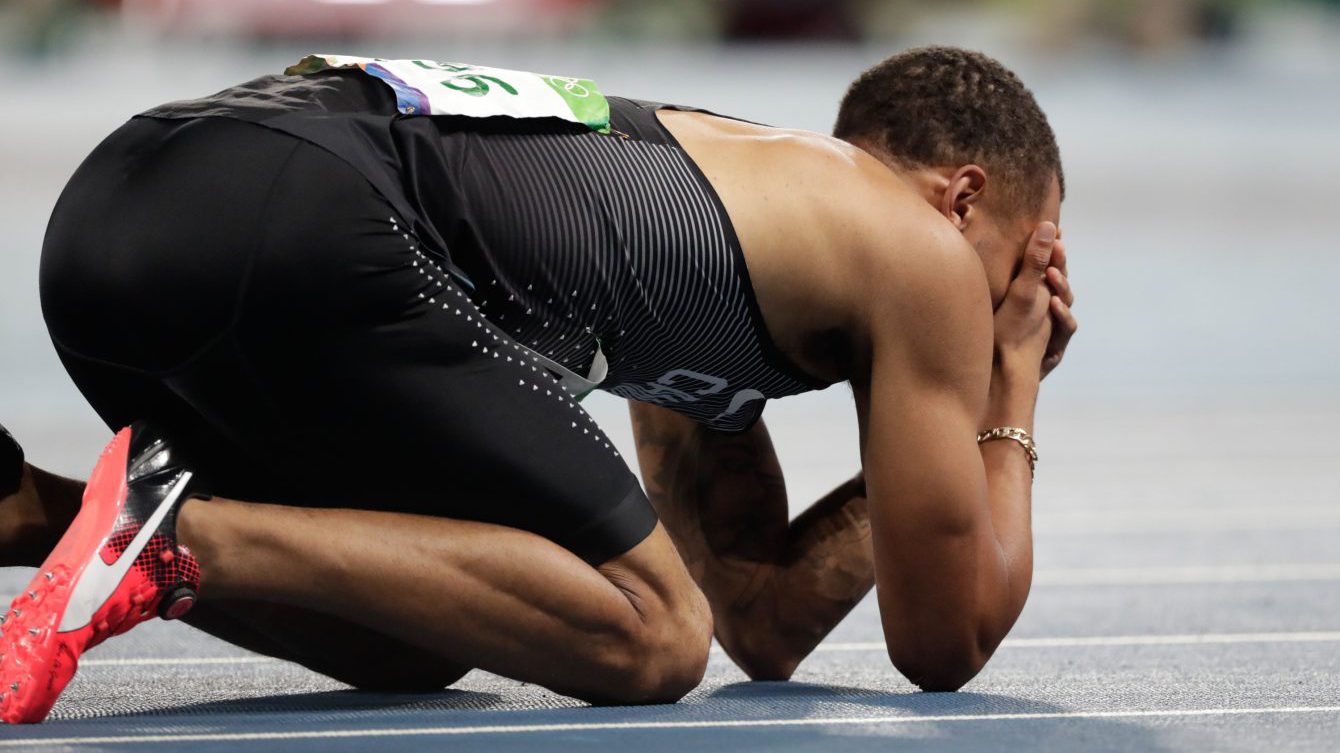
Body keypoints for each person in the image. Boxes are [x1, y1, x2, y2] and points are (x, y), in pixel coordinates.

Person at [0, 45, 1074, 723]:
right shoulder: (920, 248)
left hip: (117, 215)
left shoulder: (736, 223)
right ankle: (181, 537)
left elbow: (758, 616)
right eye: (1032, 262)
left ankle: (32, 513)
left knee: (430, 634)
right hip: (315, 224)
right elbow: (942, 644)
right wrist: (1010, 384)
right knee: (651, 639)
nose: (1021, 299)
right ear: (962, 199)